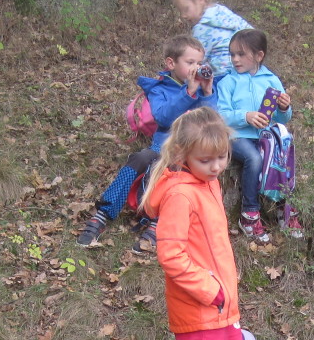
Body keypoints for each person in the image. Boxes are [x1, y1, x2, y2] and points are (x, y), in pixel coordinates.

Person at [141, 108, 245, 340]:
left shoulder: (208, 183)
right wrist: (210, 290)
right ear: (183, 154)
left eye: (222, 157)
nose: (217, 166)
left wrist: (225, 292)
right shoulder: (180, 195)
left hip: (223, 308)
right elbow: (171, 255)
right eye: (206, 159)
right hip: (200, 311)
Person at [77, 34, 217, 254]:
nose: (196, 68)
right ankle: (103, 213)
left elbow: (213, 122)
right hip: (161, 149)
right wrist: (188, 92)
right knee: (140, 159)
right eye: (190, 62)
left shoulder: (202, 91)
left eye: (199, 63)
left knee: (178, 174)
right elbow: (163, 117)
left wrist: (207, 92)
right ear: (171, 63)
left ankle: (158, 224)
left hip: (190, 153)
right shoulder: (160, 89)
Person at [217, 28, 301, 242]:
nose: (235, 59)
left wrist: (284, 108)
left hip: (266, 136)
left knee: (282, 158)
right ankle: (249, 215)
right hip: (235, 135)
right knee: (253, 158)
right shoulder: (228, 82)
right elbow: (220, 115)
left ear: (259, 55)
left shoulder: (271, 80)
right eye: (232, 54)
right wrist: (245, 116)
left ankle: (284, 209)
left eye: (241, 54)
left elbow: (283, 118)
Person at [171, 0, 252, 82]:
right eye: (180, 11)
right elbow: (253, 35)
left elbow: (194, 61)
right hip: (247, 73)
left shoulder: (202, 28)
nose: (183, 15)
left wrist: (183, 82)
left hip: (222, 79)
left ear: (200, 0)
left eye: (186, 9)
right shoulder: (224, 12)